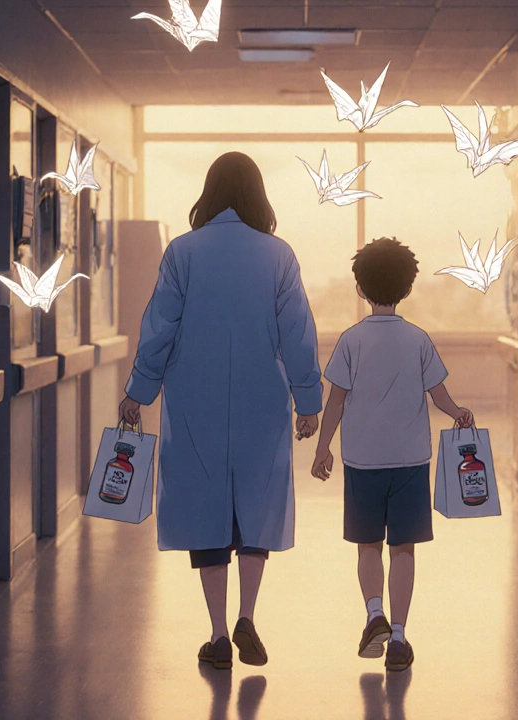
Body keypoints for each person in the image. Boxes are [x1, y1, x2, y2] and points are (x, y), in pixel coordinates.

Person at [119, 151, 322, 671]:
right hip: (263, 400)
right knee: (255, 504)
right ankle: (247, 618)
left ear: (208, 192)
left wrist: (139, 392)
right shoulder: (278, 255)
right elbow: (298, 333)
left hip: (195, 402)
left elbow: (159, 327)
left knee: (207, 511)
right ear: (258, 193)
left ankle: (216, 635)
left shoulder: (183, 252)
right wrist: (308, 400)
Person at [310, 237, 473, 672]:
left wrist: (323, 448)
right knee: (404, 548)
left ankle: (374, 614)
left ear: (360, 288)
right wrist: (459, 413)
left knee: (368, 546)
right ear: (408, 288)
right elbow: (439, 395)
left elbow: (336, 402)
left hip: (362, 461)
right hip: (410, 461)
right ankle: (399, 638)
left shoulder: (350, 340)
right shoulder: (417, 339)